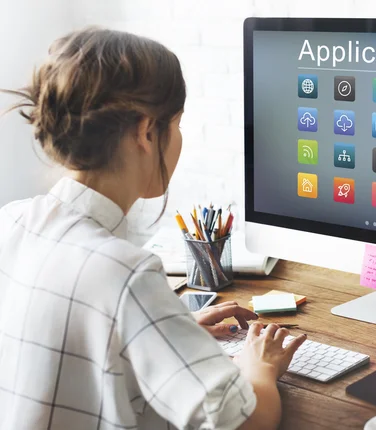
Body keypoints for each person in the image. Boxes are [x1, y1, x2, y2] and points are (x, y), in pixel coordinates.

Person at [0, 27, 306, 430]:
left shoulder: (11, 220)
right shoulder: (126, 273)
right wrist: (259, 366)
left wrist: (164, 329)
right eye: (176, 124)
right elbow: (247, 421)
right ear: (146, 132)